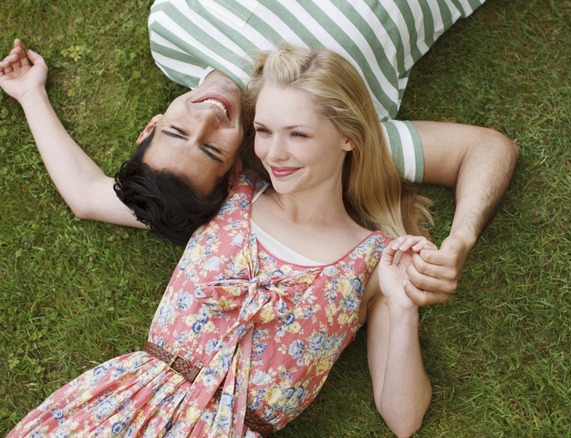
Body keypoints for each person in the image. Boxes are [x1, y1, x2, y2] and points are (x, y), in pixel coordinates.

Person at [10, 44, 440, 437]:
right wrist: (31, 93)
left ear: (348, 136)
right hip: (124, 410)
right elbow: (87, 194)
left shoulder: (375, 261)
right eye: (264, 131)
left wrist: (403, 310)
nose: (274, 154)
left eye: (299, 134)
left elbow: (403, 420)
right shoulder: (228, 196)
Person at [0, 0, 518, 305]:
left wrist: (30, 93)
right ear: (237, 169)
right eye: (210, 148)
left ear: (151, 125)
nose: (207, 116)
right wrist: (461, 238)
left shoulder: (169, 32)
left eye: (177, 133)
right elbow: (485, 149)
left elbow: (90, 196)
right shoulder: (321, 123)